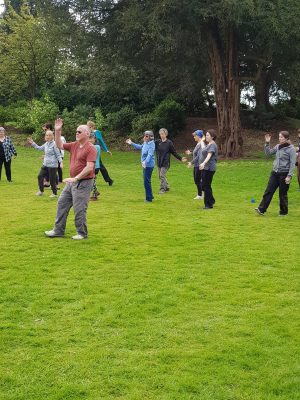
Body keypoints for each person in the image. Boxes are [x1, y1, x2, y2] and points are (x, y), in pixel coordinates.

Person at [44, 119, 97, 239]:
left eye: (79, 131)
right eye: (76, 132)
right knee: (62, 203)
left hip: (83, 183)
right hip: (71, 182)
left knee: (79, 209)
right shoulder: (74, 145)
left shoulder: (91, 148)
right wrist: (57, 131)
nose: (76, 133)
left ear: (87, 134)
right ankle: (58, 231)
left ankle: (82, 233)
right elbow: (59, 145)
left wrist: (76, 178)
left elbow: (89, 167)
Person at [255, 131, 296, 216]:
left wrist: (289, 176)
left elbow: (292, 163)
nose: (279, 138)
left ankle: (283, 212)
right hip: (275, 173)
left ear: (286, 138)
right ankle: (261, 209)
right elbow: (268, 153)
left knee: (282, 194)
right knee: (269, 191)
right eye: (279, 137)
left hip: (284, 174)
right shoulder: (278, 146)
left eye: (281, 137)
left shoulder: (291, 149)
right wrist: (267, 142)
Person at [27, 131, 62, 198]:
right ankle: (41, 191)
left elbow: (58, 155)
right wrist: (32, 143)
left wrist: (61, 162)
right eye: (46, 135)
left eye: (49, 135)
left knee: (52, 180)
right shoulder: (46, 144)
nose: (47, 136)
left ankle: (54, 193)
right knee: (40, 176)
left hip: (52, 166)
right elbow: (39, 148)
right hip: (45, 164)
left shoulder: (55, 144)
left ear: (52, 136)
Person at [126, 130, 155, 202]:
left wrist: (145, 162)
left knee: (146, 181)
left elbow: (150, 155)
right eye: (144, 135)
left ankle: (149, 199)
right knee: (147, 181)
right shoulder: (145, 143)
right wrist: (131, 143)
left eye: (146, 136)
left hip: (148, 165)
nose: (144, 137)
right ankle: (150, 196)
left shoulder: (151, 144)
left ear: (150, 137)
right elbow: (140, 147)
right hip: (144, 165)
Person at [155, 128, 186, 194]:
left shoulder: (169, 143)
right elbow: (150, 144)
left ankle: (162, 189)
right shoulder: (158, 142)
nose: (161, 135)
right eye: (160, 134)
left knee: (162, 176)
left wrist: (180, 158)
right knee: (160, 176)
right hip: (159, 162)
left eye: (162, 134)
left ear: (166, 134)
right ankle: (167, 186)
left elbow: (174, 152)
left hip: (165, 163)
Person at [87, 121, 113, 186]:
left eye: (89, 126)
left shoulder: (97, 132)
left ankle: (107, 180)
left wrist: (106, 150)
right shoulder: (87, 133)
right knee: (100, 166)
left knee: (98, 165)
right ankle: (109, 180)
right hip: (89, 150)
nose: (88, 127)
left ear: (92, 126)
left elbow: (101, 141)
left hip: (96, 150)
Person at [199, 129, 218, 209]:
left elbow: (209, 155)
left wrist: (203, 163)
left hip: (209, 168)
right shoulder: (209, 144)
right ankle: (211, 200)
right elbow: (203, 149)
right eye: (206, 135)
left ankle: (208, 205)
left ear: (212, 137)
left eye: (207, 135)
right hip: (206, 168)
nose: (206, 136)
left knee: (206, 186)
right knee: (205, 185)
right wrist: (202, 141)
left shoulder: (212, 145)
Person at [186, 130, 204, 199]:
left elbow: (198, 156)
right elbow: (195, 153)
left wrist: (191, 162)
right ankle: (202, 191)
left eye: (195, 136)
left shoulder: (201, 145)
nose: (194, 137)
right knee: (197, 180)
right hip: (196, 165)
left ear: (199, 136)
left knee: (197, 180)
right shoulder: (198, 144)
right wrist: (191, 152)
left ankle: (200, 195)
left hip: (198, 165)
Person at [89, 132, 101, 201]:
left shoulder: (96, 147)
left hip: (95, 166)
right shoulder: (93, 146)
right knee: (93, 180)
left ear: (94, 139)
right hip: (93, 166)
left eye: (91, 138)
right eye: (89, 138)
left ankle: (95, 192)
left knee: (92, 180)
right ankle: (95, 192)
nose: (90, 140)